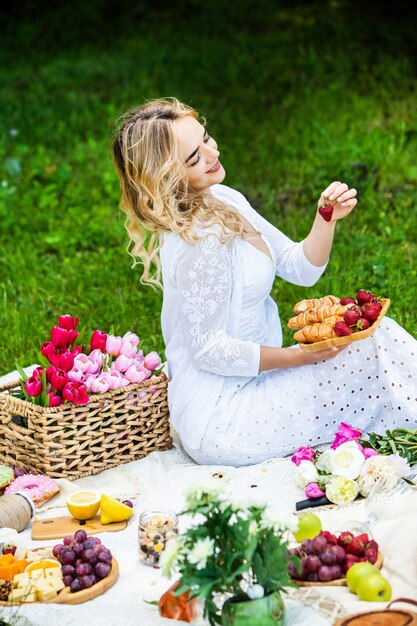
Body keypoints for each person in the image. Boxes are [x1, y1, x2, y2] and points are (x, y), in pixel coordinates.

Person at [112, 97, 417, 466]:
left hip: (259, 382)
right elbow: (209, 350)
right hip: (223, 417)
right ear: (166, 177)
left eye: (206, 138)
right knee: (373, 356)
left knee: (376, 342)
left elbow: (299, 267)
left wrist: (326, 217)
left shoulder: (223, 198)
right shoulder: (200, 240)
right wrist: (299, 357)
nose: (213, 152)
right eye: (194, 157)